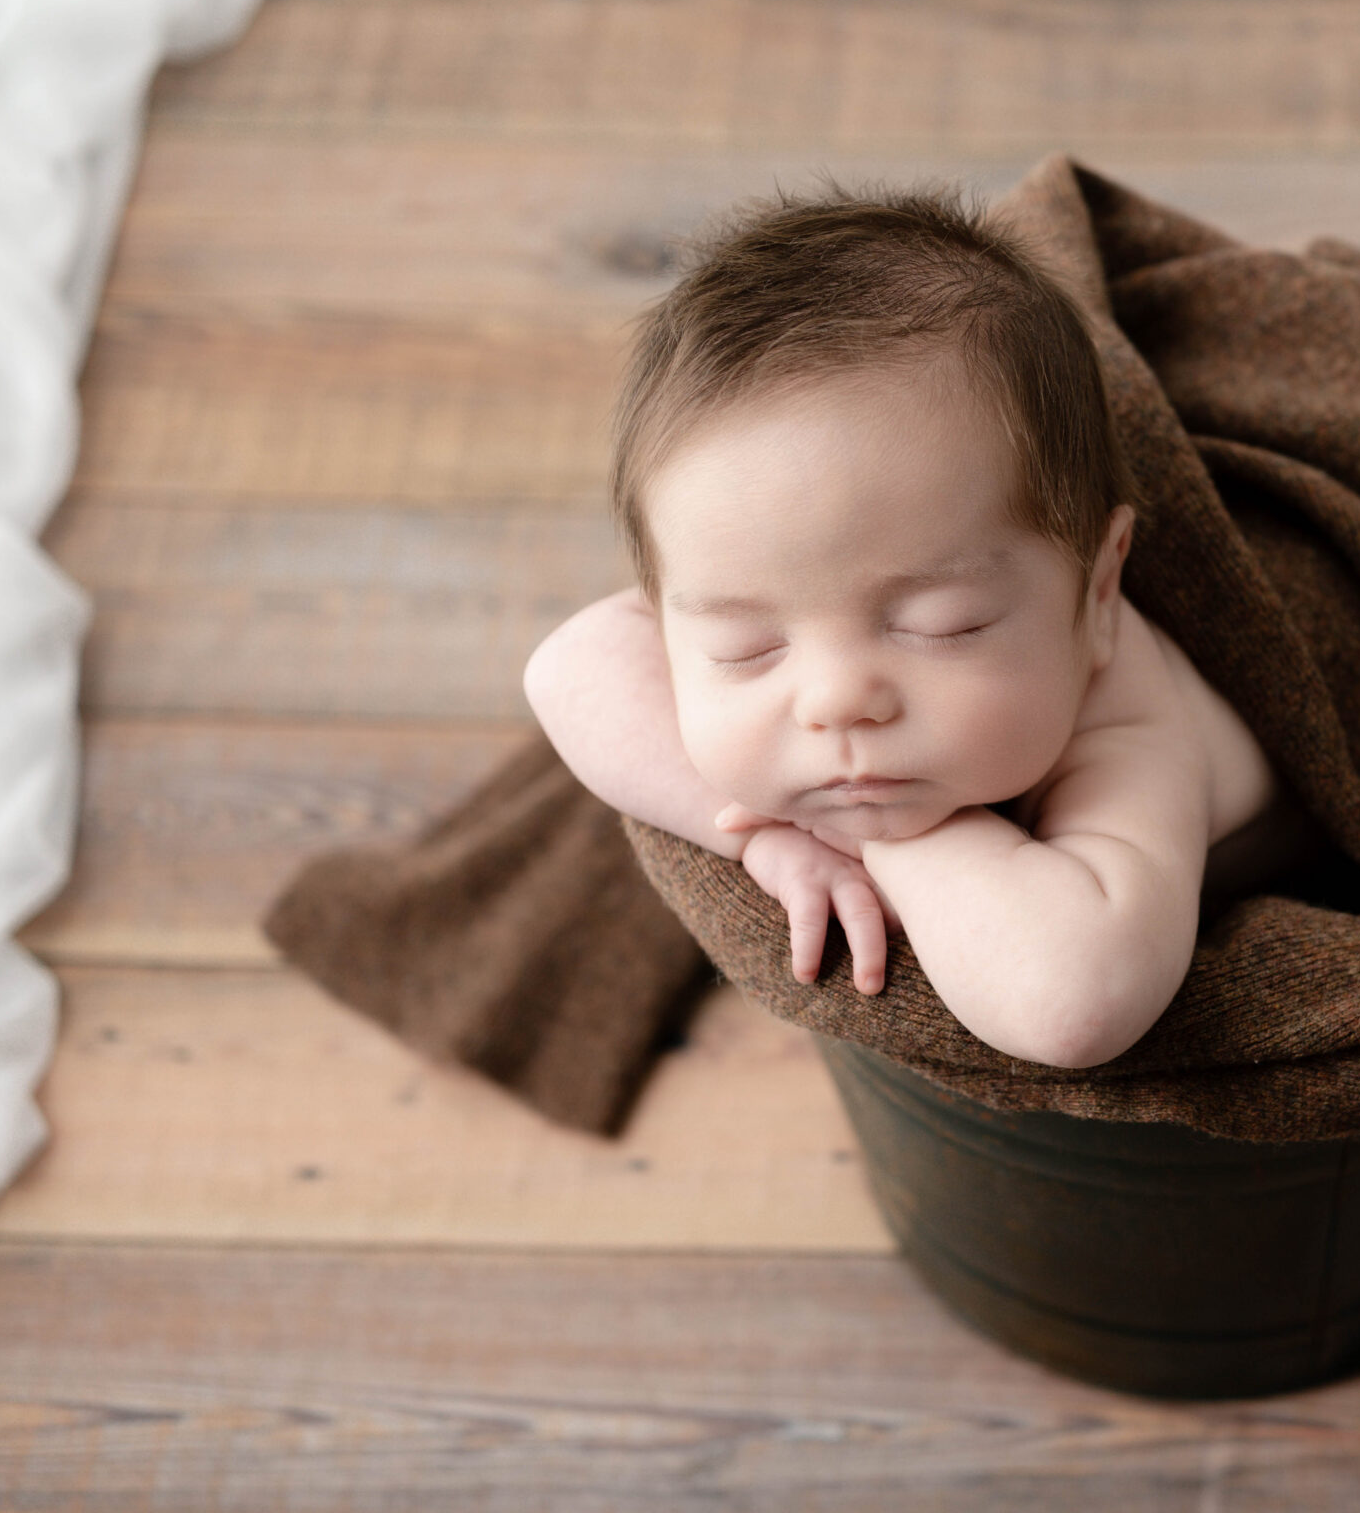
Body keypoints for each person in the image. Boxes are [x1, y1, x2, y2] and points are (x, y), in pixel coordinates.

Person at [524, 187, 1307, 1069]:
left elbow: (1073, 1003)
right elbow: (568, 666)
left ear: (1097, 594)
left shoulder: (1128, 722)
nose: (834, 700)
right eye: (746, 646)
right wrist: (766, 838)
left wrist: (872, 839)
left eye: (942, 623)